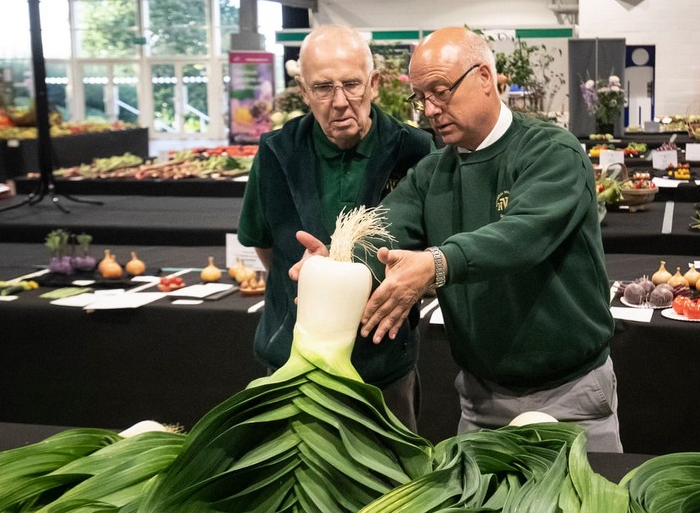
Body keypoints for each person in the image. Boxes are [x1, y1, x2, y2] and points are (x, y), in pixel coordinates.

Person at [293, 27, 621, 452]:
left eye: (441, 91)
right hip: (480, 404)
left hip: (572, 398)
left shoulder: (551, 152)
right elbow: (383, 230)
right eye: (420, 97)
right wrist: (336, 266)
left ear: (484, 77)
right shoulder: (433, 174)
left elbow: (523, 235)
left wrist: (437, 264)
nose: (429, 109)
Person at [237, 25, 433, 429]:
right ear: (304, 92)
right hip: (293, 360)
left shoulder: (414, 151)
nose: (340, 102)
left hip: (380, 361)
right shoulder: (276, 152)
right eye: (323, 88)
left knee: (392, 481)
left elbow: (432, 253)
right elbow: (265, 246)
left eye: (351, 85)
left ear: (374, 84)